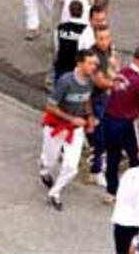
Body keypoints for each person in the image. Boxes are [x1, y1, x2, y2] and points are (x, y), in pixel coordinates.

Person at [39, 49, 97, 211]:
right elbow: (50, 107)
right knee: (50, 160)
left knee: (71, 167)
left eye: (94, 63)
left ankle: (54, 193)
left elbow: (87, 100)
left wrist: (90, 117)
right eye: (90, 63)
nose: (93, 67)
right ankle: (44, 170)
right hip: (56, 126)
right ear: (79, 63)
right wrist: (71, 119)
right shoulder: (66, 81)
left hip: (76, 129)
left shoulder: (90, 81)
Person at [103, 46, 139, 203]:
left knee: (113, 157)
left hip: (109, 119)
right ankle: (134, 191)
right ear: (138, 61)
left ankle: (111, 191)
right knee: (138, 157)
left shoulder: (122, 73)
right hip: (126, 122)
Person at [88, 24, 119, 186]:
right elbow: (99, 82)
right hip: (92, 99)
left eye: (107, 37)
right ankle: (95, 170)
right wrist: (116, 85)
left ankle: (101, 163)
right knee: (99, 136)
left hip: (103, 98)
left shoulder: (107, 50)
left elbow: (113, 66)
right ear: (94, 38)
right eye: (101, 38)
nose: (105, 41)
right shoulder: (94, 56)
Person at [54, 0, 87, 81]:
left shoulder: (60, 28)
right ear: (82, 12)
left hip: (61, 65)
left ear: (69, 11)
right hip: (76, 67)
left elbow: (56, 46)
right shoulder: (85, 30)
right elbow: (85, 49)